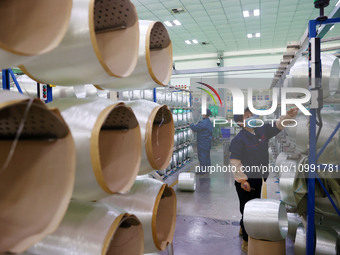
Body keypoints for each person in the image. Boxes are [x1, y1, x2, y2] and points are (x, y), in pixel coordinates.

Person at [229, 107, 298, 253]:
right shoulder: (238, 140)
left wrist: (288, 116)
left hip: (259, 178)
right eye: (246, 116)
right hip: (246, 181)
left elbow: (277, 126)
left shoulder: (261, 131)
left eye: (251, 114)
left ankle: (243, 227)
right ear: (240, 122)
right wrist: (242, 181)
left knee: (251, 205)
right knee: (248, 211)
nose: (251, 117)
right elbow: (235, 162)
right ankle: (246, 242)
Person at [190, 109, 214, 174]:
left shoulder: (203, 122)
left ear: (204, 114)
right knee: (207, 156)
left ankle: (203, 171)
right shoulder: (208, 122)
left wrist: (191, 124)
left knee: (202, 156)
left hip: (202, 142)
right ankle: (207, 169)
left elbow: (195, 128)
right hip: (207, 142)